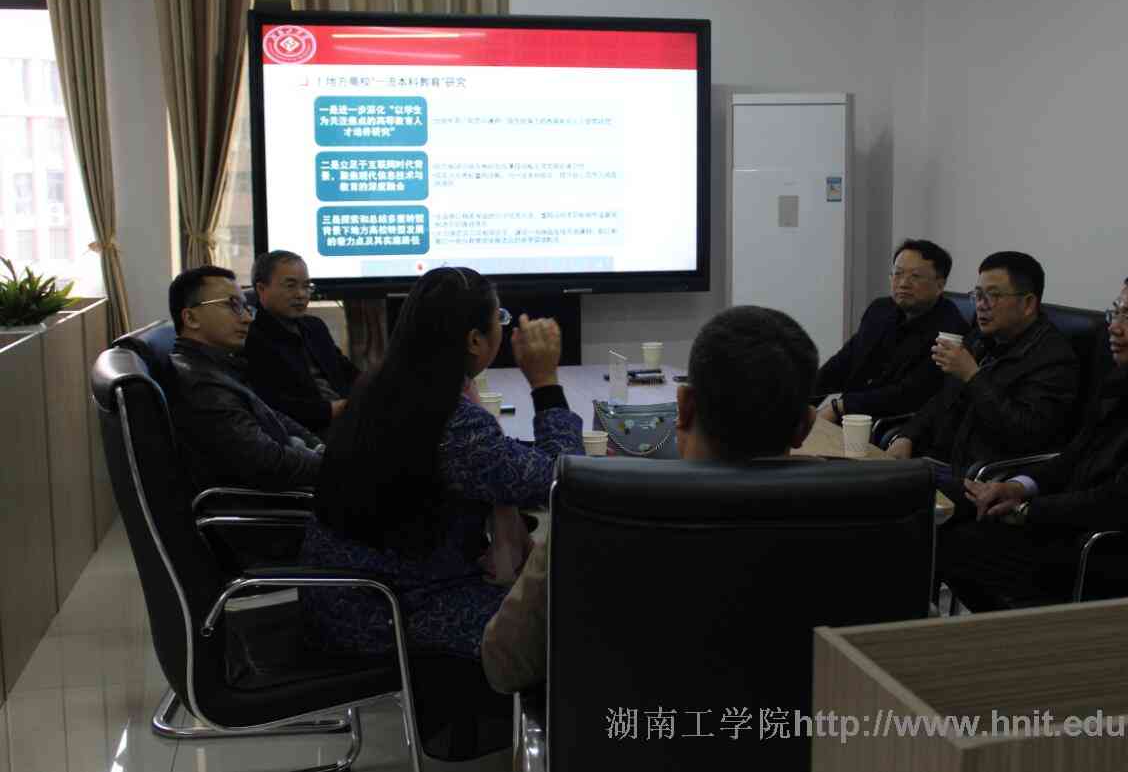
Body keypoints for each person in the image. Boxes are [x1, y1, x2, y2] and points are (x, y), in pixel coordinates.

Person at [299, 266, 583, 756]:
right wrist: (545, 382)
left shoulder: (386, 386)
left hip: (350, 591)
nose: (503, 328)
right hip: (387, 608)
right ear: (474, 340)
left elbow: (498, 464)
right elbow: (560, 479)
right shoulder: (450, 422)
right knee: (564, 621)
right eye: (498, 319)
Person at [480, 305, 820, 694]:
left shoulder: (593, 508)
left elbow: (502, 665)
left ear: (683, 406)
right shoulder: (854, 512)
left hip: (623, 730)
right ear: (805, 425)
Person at [938, 267, 1128, 608]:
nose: (1114, 327)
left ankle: (1027, 632)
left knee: (957, 543)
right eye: (1115, 312)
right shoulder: (1127, 375)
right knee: (937, 507)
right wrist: (1017, 487)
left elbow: (1125, 500)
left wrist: (1028, 511)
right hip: (1075, 520)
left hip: (1121, 545)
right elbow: (1075, 455)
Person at [887, 251, 1079, 507]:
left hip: (981, 482)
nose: (981, 305)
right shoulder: (980, 339)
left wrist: (972, 375)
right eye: (977, 295)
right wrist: (907, 435)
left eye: (993, 295)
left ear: (1028, 303)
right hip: (938, 464)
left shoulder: (1054, 360)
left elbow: (1024, 433)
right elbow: (943, 399)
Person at [166, 266, 323, 493]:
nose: (248, 318)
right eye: (232, 305)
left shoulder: (217, 364)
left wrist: (318, 446)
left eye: (246, 307)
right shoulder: (202, 385)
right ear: (191, 318)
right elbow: (268, 463)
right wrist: (336, 465)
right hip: (275, 503)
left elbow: (272, 415)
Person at [816, 239, 968, 423]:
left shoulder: (950, 330)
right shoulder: (880, 310)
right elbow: (844, 362)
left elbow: (911, 393)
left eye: (915, 276)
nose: (903, 283)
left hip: (895, 423)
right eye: (898, 273)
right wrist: (802, 396)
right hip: (852, 414)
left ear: (939, 285)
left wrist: (841, 407)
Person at [244, 251, 359, 436]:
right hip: (306, 433)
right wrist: (333, 410)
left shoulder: (314, 327)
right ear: (261, 289)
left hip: (349, 419)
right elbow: (270, 406)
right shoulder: (251, 337)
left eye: (306, 286)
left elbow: (347, 372)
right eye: (290, 286)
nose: (301, 294)